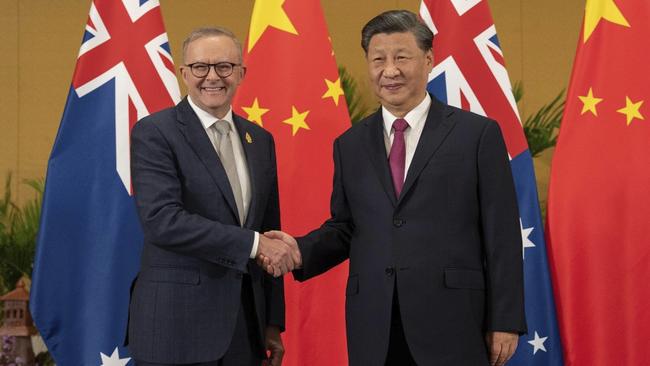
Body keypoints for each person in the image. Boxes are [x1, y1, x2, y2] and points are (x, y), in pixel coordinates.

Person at [264, 10, 526, 366]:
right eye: (379, 59)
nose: (390, 70)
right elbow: (346, 227)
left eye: (402, 57)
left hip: (454, 320)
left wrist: (505, 320)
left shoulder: (476, 135)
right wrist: (300, 251)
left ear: (429, 59)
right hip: (375, 321)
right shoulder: (350, 144)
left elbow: (502, 234)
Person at [127, 27, 300, 366]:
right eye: (200, 67)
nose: (212, 77)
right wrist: (253, 244)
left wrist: (271, 322)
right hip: (176, 327)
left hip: (244, 329)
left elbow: (269, 230)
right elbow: (163, 221)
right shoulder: (155, 132)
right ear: (183, 73)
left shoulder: (259, 139)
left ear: (240, 73)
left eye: (224, 66)